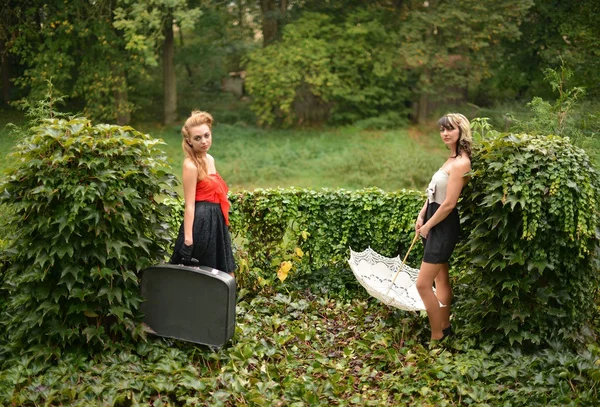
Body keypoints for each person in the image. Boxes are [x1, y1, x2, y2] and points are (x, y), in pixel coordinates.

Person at [415, 113, 472, 343]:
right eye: (442, 130)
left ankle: (436, 334)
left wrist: (428, 225)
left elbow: (449, 203)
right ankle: (446, 327)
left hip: (443, 224)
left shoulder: (461, 163)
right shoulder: (450, 158)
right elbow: (432, 193)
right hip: (432, 220)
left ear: (461, 131)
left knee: (422, 284)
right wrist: (421, 215)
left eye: (450, 129)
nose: (445, 133)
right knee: (441, 280)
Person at [170, 110, 236, 277]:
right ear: (189, 141)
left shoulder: (210, 159)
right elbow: (190, 204)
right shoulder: (190, 165)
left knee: (226, 276)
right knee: (202, 279)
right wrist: (188, 239)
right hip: (201, 224)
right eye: (197, 138)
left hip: (216, 222)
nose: (204, 141)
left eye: (206, 135)